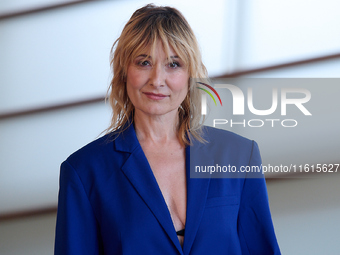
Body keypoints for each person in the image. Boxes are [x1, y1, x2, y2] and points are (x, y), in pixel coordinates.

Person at [54, 4, 281, 255]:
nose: (157, 80)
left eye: (173, 64)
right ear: (124, 72)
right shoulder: (84, 172)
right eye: (144, 62)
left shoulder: (239, 155)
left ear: (190, 75)